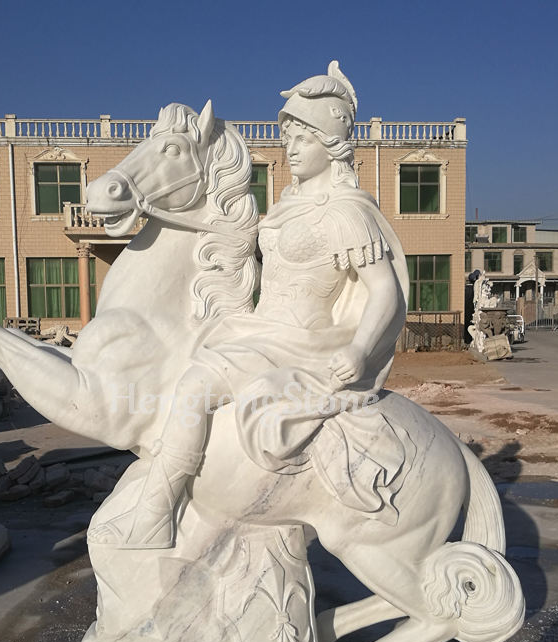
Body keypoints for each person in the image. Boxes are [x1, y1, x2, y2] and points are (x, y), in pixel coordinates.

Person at [95, 62, 409, 548]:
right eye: (289, 139)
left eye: (303, 139)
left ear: (331, 144)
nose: (291, 149)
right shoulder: (287, 206)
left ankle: (155, 517)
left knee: (193, 387)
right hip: (261, 330)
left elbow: (385, 290)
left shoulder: (348, 213)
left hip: (300, 341)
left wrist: (360, 348)